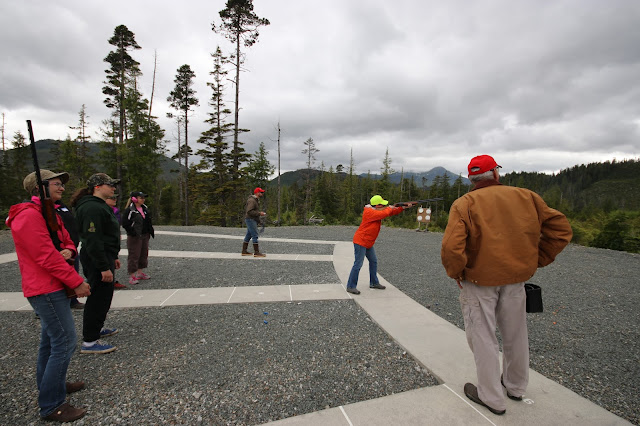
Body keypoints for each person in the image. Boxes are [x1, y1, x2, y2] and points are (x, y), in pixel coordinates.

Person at [441, 155, 573, 415]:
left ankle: (491, 398)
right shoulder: (527, 197)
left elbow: (451, 247)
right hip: (516, 281)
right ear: (495, 173)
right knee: (516, 335)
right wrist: (536, 260)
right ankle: (516, 387)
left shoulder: (464, 203)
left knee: (483, 338)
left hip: (478, 282)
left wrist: (456, 273)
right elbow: (560, 230)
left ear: (471, 178)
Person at [6, 169, 91, 422]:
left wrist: (69, 251)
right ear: (39, 188)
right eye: (56, 184)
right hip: (46, 288)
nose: (62, 188)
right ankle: (52, 404)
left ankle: (51, 385)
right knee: (65, 341)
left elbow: (67, 240)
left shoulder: (49, 212)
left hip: (53, 285)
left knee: (50, 341)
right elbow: (44, 256)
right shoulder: (28, 215)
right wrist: (76, 282)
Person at [71, 173, 122, 355]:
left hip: (104, 254)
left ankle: (97, 328)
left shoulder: (98, 205)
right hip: (97, 257)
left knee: (104, 295)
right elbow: (93, 239)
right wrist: (103, 266)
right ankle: (90, 341)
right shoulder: (91, 207)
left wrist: (112, 256)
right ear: (97, 187)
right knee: (98, 297)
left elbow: (105, 234)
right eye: (110, 185)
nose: (113, 188)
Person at [346, 195, 414, 294]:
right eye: (382, 205)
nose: (384, 206)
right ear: (377, 206)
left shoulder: (375, 210)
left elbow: (390, 212)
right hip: (361, 241)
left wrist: (403, 207)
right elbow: (385, 213)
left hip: (368, 242)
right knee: (358, 264)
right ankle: (351, 286)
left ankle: (374, 282)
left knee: (373, 261)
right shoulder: (369, 212)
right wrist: (390, 208)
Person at [54, 199, 86, 309]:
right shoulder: (43, 209)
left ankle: (72, 299)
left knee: (73, 273)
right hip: (59, 251)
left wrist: (71, 247)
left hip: (71, 249)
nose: (61, 190)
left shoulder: (61, 205)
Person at [122, 191, 155, 285]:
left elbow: (148, 221)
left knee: (143, 254)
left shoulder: (145, 208)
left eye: (143, 198)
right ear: (134, 199)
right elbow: (125, 223)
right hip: (135, 236)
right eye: (141, 198)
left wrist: (150, 231)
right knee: (134, 255)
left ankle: (140, 272)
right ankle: (132, 275)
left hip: (145, 234)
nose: (143, 199)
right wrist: (132, 232)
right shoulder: (130, 210)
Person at [105, 195, 126, 289]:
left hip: (113, 241)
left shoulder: (115, 211)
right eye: (112, 198)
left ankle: (112, 280)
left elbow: (117, 225)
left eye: (115, 198)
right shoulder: (101, 210)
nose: (115, 200)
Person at [242, 187, 267, 257]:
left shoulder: (254, 200)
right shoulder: (252, 201)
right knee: (255, 235)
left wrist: (258, 220)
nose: (262, 193)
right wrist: (259, 213)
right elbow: (249, 211)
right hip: (250, 219)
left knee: (249, 235)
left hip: (251, 219)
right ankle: (256, 252)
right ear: (257, 193)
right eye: (261, 192)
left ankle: (244, 251)